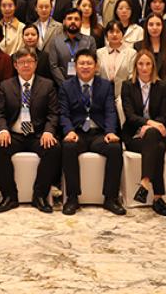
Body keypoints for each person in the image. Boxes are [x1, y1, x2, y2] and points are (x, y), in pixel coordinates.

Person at [0, 48, 62, 213]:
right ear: (15, 65)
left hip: (37, 134)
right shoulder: (5, 86)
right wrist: (2, 130)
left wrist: (48, 131)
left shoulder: (47, 85)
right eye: (22, 62)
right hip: (14, 134)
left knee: (53, 148)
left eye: (29, 62)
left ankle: (40, 196)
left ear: (36, 64)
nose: (26, 65)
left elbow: (54, 113)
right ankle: (9, 196)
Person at [59, 50, 125, 215]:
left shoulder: (105, 85)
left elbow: (110, 111)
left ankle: (110, 198)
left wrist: (110, 131)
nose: (85, 67)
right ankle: (72, 198)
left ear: (96, 66)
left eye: (89, 63)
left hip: (98, 133)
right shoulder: (66, 86)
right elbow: (63, 113)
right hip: (78, 133)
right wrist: (69, 131)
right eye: (81, 63)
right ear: (76, 66)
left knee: (115, 148)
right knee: (68, 147)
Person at [121, 49, 166, 216]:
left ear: (153, 67)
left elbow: (165, 115)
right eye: (141, 64)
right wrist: (148, 123)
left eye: (148, 64)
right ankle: (158, 198)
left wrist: (151, 127)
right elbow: (129, 116)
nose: (144, 68)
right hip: (134, 135)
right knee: (157, 149)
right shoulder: (128, 86)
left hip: (158, 134)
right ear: (136, 66)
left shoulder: (163, 87)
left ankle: (144, 183)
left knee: (153, 137)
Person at [48, 8, 98, 87]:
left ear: (81, 22)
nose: (73, 21)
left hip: (85, 87)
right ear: (64, 22)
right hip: (62, 87)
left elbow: (92, 64)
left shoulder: (90, 41)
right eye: (69, 18)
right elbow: (54, 66)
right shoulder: (55, 41)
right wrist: (65, 86)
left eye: (76, 19)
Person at [133, 13, 166, 93]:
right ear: (146, 27)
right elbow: (137, 71)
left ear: (163, 27)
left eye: (158, 24)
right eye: (151, 25)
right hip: (145, 91)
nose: (154, 28)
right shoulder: (138, 46)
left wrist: (165, 89)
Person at [96, 21, 137, 109]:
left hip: (124, 96)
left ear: (123, 34)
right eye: (111, 32)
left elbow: (132, 76)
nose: (114, 35)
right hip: (103, 95)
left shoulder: (131, 53)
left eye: (118, 31)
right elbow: (97, 75)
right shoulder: (99, 53)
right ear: (106, 35)